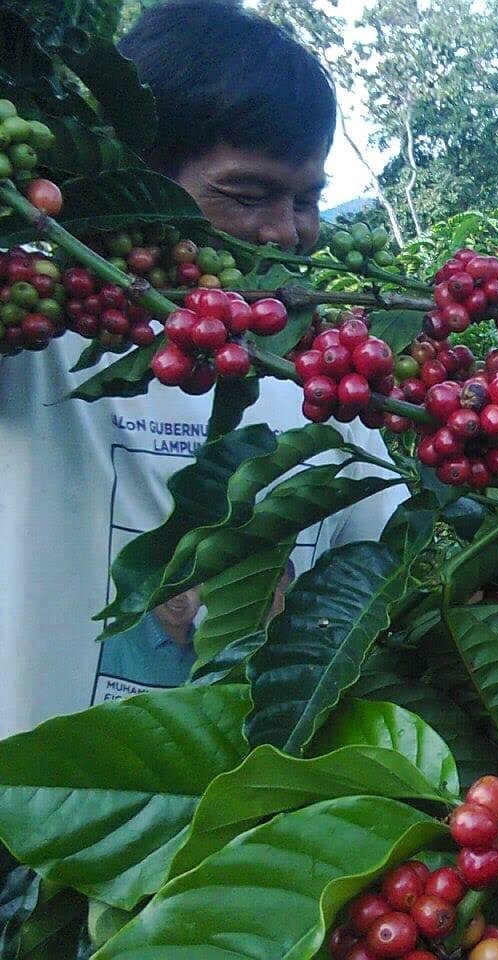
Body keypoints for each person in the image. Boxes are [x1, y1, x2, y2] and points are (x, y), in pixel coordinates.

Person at [0, 0, 402, 738]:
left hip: (237, 829)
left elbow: (373, 591)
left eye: (307, 199)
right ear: (138, 178)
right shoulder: (36, 338)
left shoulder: (322, 386)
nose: (285, 232)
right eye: (246, 195)